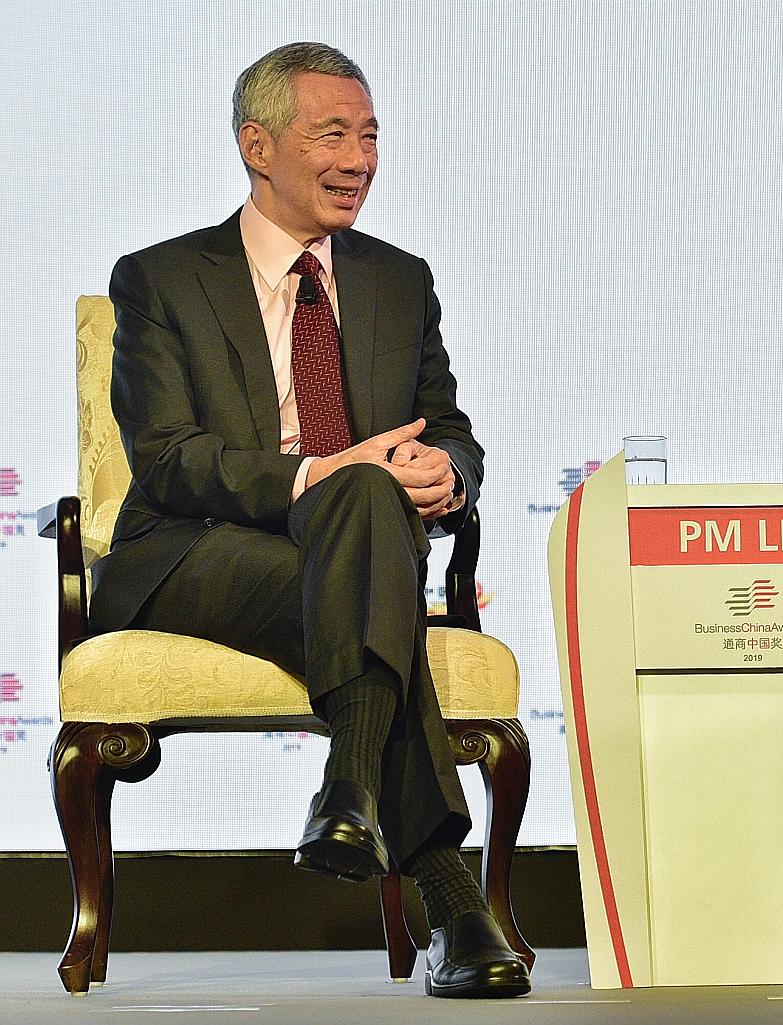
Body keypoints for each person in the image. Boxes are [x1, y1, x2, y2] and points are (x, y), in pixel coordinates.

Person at [89, 42, 529, 999]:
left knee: (370, 509)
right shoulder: (160, 279)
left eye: (371, 136)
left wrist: (441, 475)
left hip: (354, 550)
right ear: (258, 144)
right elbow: (166, 458)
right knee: (362, 525)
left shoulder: (398, 279)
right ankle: (447, 893)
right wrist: (323, 472)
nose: (360, 159)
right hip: (193, 555)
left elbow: (451, 430)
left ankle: (352, 796)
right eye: (334, 134)